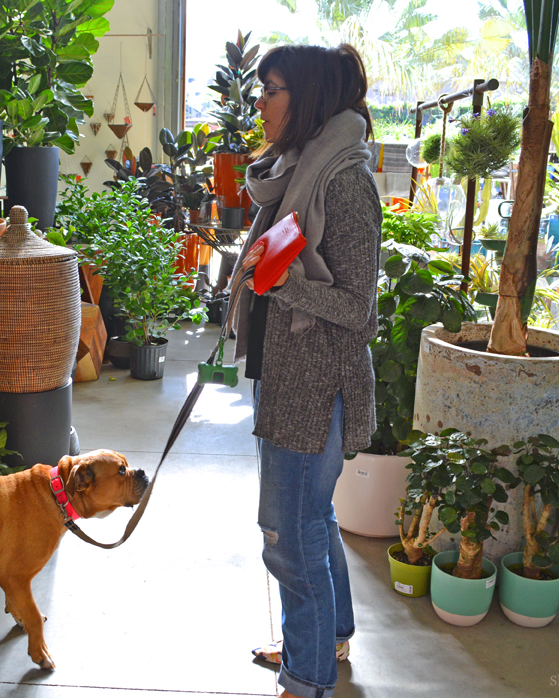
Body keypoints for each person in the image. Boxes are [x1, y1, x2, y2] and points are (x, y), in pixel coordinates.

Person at [231, 44, 382, 698]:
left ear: (309, 98)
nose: (260, 103)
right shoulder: (298, 167)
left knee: (289, 541)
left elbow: (358, 309)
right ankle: (330, 635)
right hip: (287, 376)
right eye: (260, 90)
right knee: (312, 521)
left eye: (272, 90)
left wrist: (282, 282)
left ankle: (307, 679)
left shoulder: (344, 179)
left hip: (314, 388)